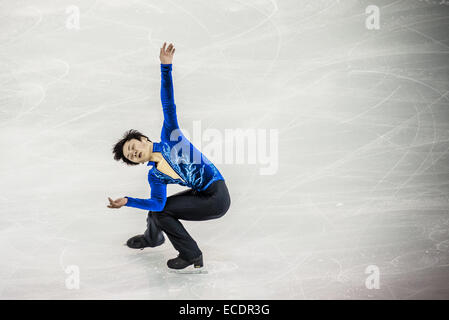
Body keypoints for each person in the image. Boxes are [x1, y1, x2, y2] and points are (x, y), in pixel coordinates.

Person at [108, 42, 231, 272]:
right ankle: (152, 238)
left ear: (144, 139)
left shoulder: (170, 136)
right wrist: (128, 201)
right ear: (137, 162)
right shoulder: (155, 176)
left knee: (162, 212)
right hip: (201, 194)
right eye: (131, 156)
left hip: (217, 195)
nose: (133, 152)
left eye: (133, 146)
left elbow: (168, 103)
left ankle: (191, 254)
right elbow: (157, 203)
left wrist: (166, 68)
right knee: (159, 210)